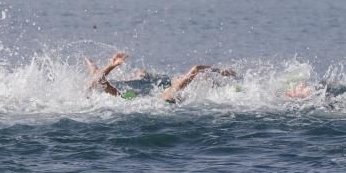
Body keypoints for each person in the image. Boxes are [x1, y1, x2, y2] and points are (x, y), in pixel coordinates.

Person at [85, 51, 235, 103]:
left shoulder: (129, 99)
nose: (178, 78)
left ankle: (104, 66)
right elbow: (196, 68)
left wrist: (113, 65)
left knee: (101, 84)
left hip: (135, 98)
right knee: (102, 84)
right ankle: (106, 66)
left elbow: (100, 81)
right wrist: (221, 71)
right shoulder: (167, 95)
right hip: (152, 99)